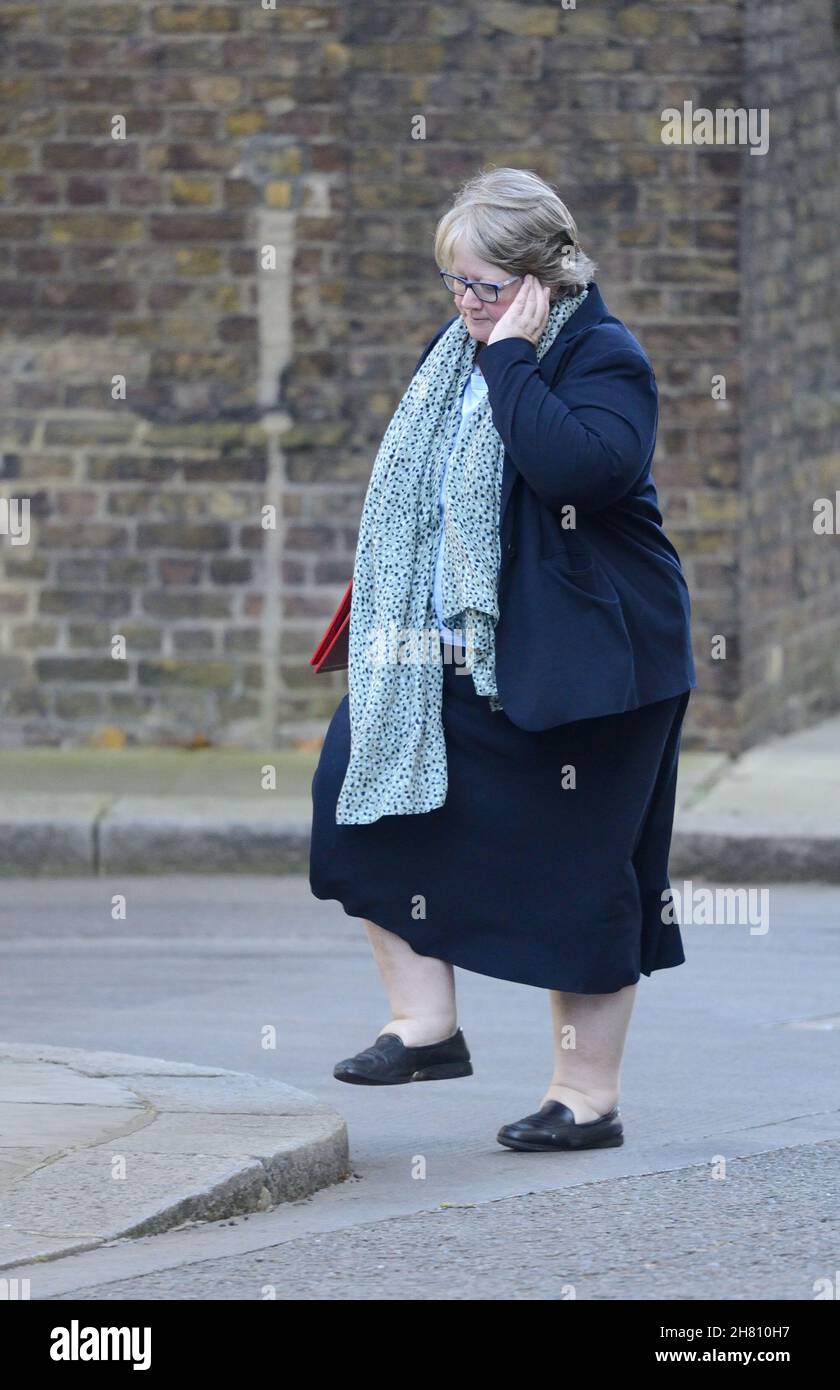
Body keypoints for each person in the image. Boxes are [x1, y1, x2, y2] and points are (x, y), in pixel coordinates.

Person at [309, 167, 696, 1152]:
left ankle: (585, 1098)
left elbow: (576, 470)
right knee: (359, 785)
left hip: (597, 667)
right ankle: (427, 1025)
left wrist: (514, 357)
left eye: (486, 286)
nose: (468, 305)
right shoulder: (455, 361)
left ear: (543, 278)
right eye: (455, 285)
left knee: (582, 876)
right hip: (458, 654)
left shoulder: (601, 357)